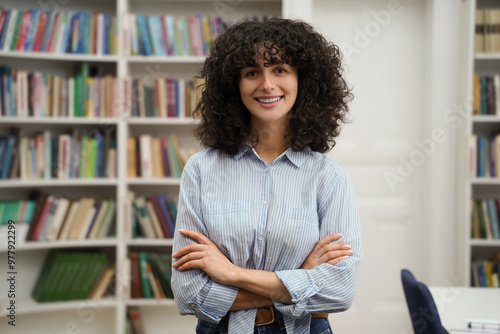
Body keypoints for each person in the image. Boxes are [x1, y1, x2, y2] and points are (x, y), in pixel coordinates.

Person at [171, 18, 362, 334]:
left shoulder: (329, 178)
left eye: (280, 70)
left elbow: (339, 292)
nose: (267, 84)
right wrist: (300, 277)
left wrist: (231, 273)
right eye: (251, 73)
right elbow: (189, 295)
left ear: (304, 80)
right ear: (234, 86)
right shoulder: (201, 170)